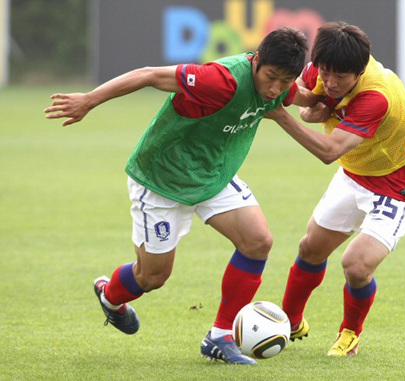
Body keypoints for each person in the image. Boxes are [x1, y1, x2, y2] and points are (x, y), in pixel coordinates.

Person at [44, 27, 314, 365]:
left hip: (214, 175)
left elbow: (301, 96)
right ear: (256, 60)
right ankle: (110, 296)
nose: (274, 88)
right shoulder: (221, 80)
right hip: (162, 177)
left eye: (285, 81)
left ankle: (220, 336)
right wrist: (89, 99)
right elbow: (148, 75)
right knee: (152, 277)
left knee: (258, 241)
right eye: (271, 77)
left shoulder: (281, 88)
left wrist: (331, 100)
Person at [265, 21, 405, 356]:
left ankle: (350, 334)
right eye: (326, 72)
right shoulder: (323, 68)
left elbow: (328, 151)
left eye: (341, 76)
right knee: (311, 248)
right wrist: (311, 106)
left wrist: (282, 116)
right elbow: (307, 95)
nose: (331, 82)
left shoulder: (376, 96)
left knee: (356, 266)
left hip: (396, 185)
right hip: (355, 172)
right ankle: (290, 321)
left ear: (360, 69)